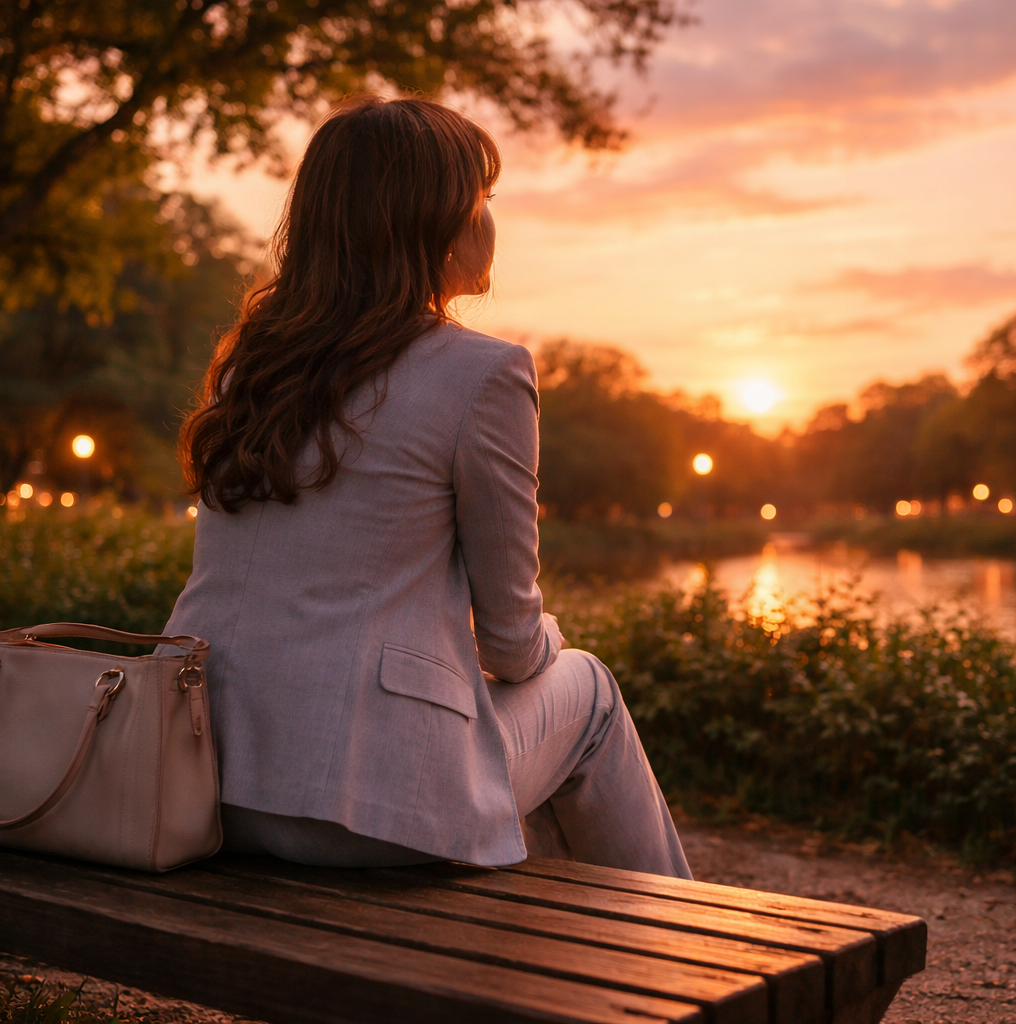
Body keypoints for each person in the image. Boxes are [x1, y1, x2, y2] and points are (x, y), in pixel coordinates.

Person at [162, 95, 691, 879]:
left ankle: (555, 956)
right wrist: (543, 647)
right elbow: (512, 644)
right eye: (482, 198)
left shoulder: (251, 365)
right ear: (431, 219)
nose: (489, 220)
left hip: (215, 788)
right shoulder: (483, 374)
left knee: (493, 723)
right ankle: (681, 954)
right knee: (588, 690)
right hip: (376, 809)